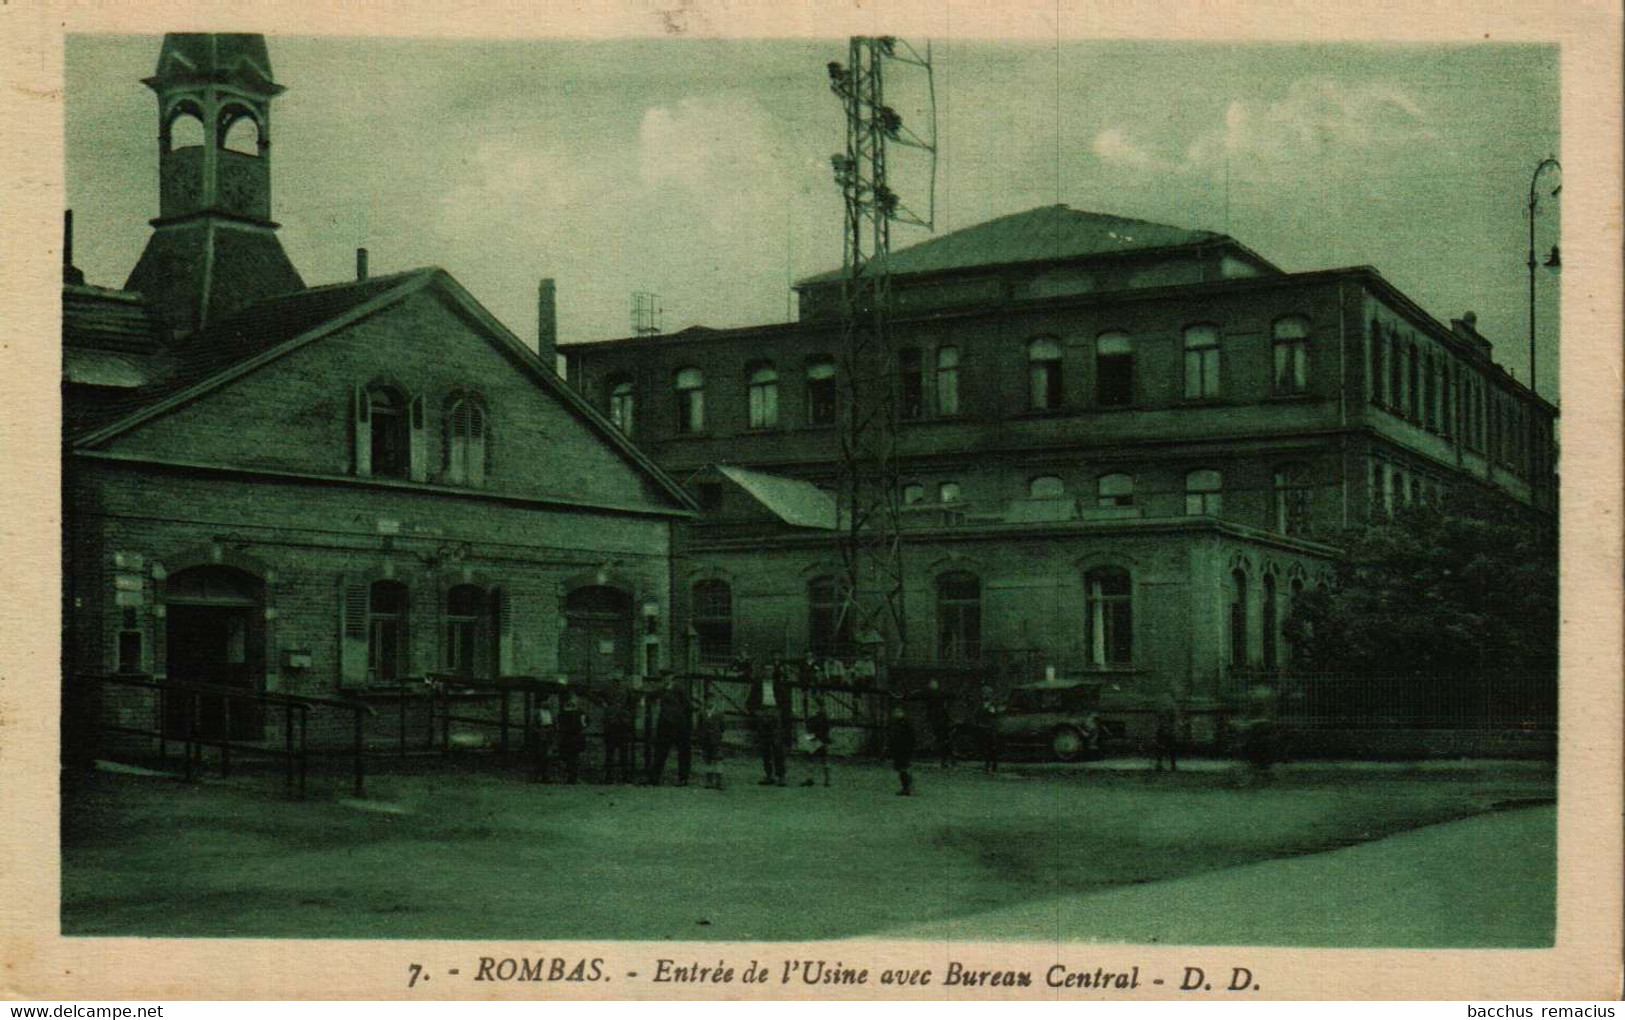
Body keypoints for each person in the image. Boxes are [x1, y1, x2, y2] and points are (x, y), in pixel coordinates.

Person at [743, 656, 790, 786]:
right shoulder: (757, 685)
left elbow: (786, 702)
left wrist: (780, 712)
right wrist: (756, 712)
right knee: (765, 746)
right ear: (762, 671)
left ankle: (781, 776)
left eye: (770, 670)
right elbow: (749, 703)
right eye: (766, 670)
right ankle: (768, 775)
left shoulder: (779, 684)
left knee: (778, 746)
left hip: (775, 715)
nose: (768, 673)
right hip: (762, 715)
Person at [647, 673, 693, 786]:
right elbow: (650, 696)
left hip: (679, 726)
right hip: (665, 725)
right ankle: (655, 778)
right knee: (660, 751)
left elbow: (688, 706)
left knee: (683, 752)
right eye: (664, 677)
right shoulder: (662, 690)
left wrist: (685, 723)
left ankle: (683, 778)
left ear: (672, 678)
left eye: (668, 677)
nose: (665, 679)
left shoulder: (680, 689)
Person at [602, 680, 636, 784]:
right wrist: (604, 706)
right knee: (610, 753)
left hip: (623, 725)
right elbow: (597, 697)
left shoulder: (626, 688)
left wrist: (628, 716)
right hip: (611, 725)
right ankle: (609, 777)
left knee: (624, 753)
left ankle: (625, 777)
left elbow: (632, 702)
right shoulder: (607, 688)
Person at [556, 691, 587, 785]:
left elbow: (559, 726)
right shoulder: (580, 713)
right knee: (574, 758)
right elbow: (584, 724)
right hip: (576, 737)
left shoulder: (561, 713)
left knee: (568, 757)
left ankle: (569, 776)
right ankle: (573, 777)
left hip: (566, 737)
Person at [697, 691, 726, 791]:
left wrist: (718, 735)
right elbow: (699, 726)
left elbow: (722, 726)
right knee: (707, 760)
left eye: (712, 700)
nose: (710, 702)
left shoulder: (719, 712)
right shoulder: (701, 712)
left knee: (718, 760)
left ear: (715, 701)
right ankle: (709, 781)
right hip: (705, 739)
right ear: (705, 701)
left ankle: (719, 781)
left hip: (716, 739)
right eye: (708, 700)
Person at [886, 702, 917, 796]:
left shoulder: (903, 724)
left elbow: (910, 737)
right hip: (899, 749)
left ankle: (907, 788)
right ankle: (907, 787)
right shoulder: (897, 724)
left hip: (903, 749)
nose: (896, 713)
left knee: (903, 768)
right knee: (902, 768)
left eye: (899, 712)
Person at [802, 696, 833, 787]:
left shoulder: (815, 718)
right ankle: (826, 780)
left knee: (811, 759)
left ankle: (811, 778)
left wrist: (809, 739)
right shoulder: (824, 717)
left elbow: (810, 730)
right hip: (821, 740)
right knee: (823, 761)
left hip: (815, 739)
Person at [924, 679, 954, 768]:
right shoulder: (936, 695)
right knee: (943, 740)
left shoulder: (936, 695)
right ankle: (946, 760)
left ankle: (945, 760)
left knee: (942, 740)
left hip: (940, 720)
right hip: (940, 720)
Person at [1153, 688, 1181, 772]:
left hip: (1161, 729)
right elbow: (1175, 718)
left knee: (1160, 747)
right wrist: (1175, 729)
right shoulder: (1173, 705)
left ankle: (1159, 764)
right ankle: (1173, 765)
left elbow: (1157, 718)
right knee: (1172, 748)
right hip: (1170, 730)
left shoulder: (1159, 705)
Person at [531, 691, 557, 783]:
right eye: (545, 701)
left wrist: (552, 732)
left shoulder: (551, 713)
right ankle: (537, 776)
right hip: (541, 735)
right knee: (540, 756)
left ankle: (546, 776)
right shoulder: (537, 713)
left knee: (549, 756)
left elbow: (554, 724)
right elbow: (533, 725)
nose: (547, 703)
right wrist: (540, 731)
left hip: (550, 734)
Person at [978, 683, 1002, 774]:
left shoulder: (993, 704)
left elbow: (995, 714)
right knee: (986, 748)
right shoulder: (981, 704)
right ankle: (987, 766)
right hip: (984, 728)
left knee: (993, 748)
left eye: (987, 693)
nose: (985, 695)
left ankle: (994, 767)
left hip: (991, 728)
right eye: (984, 693)